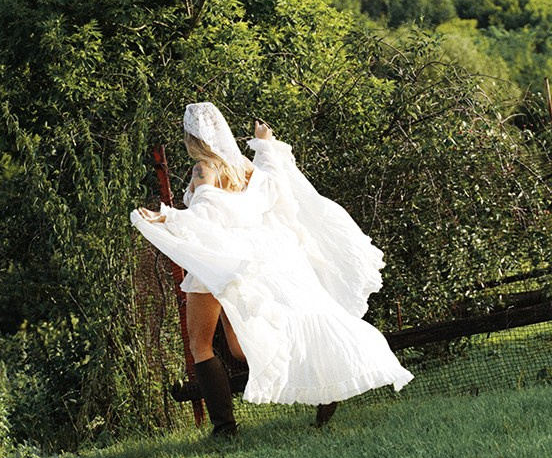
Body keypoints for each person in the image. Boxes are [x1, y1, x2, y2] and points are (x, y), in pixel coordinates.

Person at [131, 102, 412, 437]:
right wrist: (265, 144)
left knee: (201, 345)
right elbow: (273, 187)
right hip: (257, 254)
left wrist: (168, 216)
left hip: (219, 258)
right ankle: (320, 386)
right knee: (239, 345)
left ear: (192, 137)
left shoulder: (204, 168)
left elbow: (208, 211)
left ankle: (225, 429)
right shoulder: (244, 166)